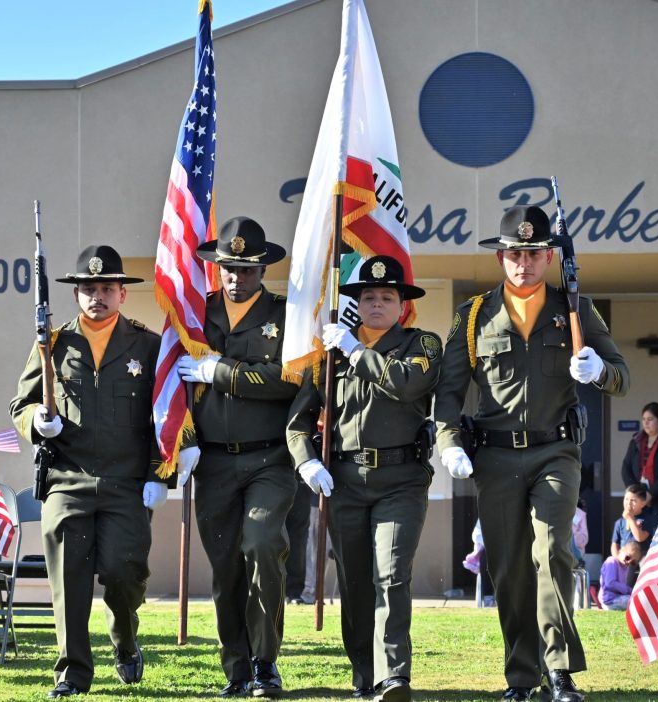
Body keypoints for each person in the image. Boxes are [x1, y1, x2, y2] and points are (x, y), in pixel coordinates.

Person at [435, 205, 629, 702]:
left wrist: (597, 371)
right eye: (515, 253)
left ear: (549, 257)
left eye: (535, 253)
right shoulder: (474, 315)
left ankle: (559, 670)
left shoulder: (575, 309)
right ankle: (522, 676)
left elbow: (622, 375)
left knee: (552, 552)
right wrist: (450, 442)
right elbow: (449, 393)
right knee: (508, 565)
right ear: (501, 257)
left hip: (555, 453)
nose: (525, 262)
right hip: (495, 458)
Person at [10, 244, 170, 699]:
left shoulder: (148, 345)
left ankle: (124, 637)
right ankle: (73, 672)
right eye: (87, 288)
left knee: (125, 572)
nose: (96, 296)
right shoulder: (52, 345)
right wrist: (36, 425)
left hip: (126, 483)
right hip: (67, 480)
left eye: (106, 288)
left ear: (122, 293)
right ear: (76, 294)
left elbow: (166, 414)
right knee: (69, 581)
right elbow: (21, 404)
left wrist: (163, 474)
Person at [287, 255, 439, 702]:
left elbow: (407, 385)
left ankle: (394, 675)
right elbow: (299, 423)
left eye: (386, 296)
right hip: (346, 481)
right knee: (354, 580)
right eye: (368, 296)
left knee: (390, 574)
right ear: (357, 303)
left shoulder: (421, 344)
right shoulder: (327, 356)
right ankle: (364, 671)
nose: (376, 303)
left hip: (402, 480)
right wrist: (307, 462)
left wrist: (356, 351)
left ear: (401, 305)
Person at [175, 217, 298, 698]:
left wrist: (220, 370)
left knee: (264, 546)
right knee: (226, 568)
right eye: (229, 267)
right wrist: (178, 445)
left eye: (247, 269)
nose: (236, 277)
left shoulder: (286, 316)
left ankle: (265, 662)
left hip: (269, 459)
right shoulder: (194, 314)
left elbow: (289, 378)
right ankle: (237, 668)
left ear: (262, 269)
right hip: (212, 463)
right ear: (217, 266)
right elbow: (168, 381)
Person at [610, 484, 655, 558]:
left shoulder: (648, 519)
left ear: (643, 503)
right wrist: (617, 558)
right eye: (626, 499)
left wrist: (630, 519)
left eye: (633, 500)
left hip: (642, 559)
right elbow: (615, 544)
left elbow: (640, 537)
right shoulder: (620, 522)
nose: (628, 503)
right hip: (624, 558)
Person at [599, 542, 640, 611]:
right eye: (627, 557)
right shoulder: (611, 562)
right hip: (609, 600)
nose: (629, 562)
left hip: (618, 597)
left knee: (636, 599)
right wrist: (629, 590)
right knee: (633, 601)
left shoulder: (624, 566)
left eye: (633, 563)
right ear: (622, 550)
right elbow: (610, 583)